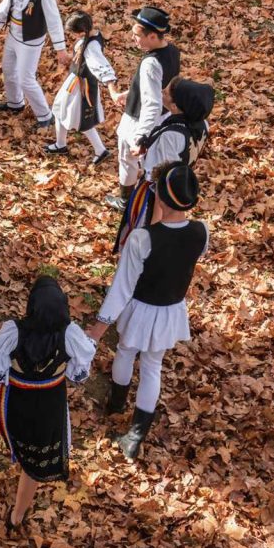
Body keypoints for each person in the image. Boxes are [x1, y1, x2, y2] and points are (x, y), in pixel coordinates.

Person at [88, 164, 208, 462]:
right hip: (171, 310)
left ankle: (115, 405)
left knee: (126, 351)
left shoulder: (142, 239)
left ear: (161, 198)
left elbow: (121, 289)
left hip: (141, 308)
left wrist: (98, 329)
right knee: (153, 366)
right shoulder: (201, 232)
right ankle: (135, 435)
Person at [0, 277, 95, 531]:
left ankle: (19, 473)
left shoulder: (13, 332)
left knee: (22, 445)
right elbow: (79, 375)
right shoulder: (70, 335)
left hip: (18, 404)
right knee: (35, 463)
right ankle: (17, 517)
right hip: (50, 406)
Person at [114, 77, 214, 252]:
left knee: (142, 236)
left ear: (175, 107)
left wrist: (154, 228)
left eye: (166, 93)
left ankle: (149, 247)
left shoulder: (170, 137)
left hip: (156, 195)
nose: (162, 92)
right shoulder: (200, 123)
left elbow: (159, 181)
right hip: (177, 178)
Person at [105, 6, 181, 211]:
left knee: (128, 159)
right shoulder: (172, 51)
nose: (133, 38)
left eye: (137, 35)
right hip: (161, 117)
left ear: (153, 36)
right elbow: (158, 85)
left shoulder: (151, 63)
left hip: (140, 120)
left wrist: (141, 136)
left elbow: (152, 103)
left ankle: (126, 201)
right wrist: (130, 94)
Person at [46, 11, 117, 165]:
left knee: (81, 119)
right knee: (60, 110)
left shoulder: (91, 47)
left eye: (74, 33)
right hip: (75, 82)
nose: (74, 36)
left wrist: (111, 85)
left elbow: (100, 64)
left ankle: (100, 150)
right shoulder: (91, 36)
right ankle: (61, 144)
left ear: (81, 31)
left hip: (82, 87)